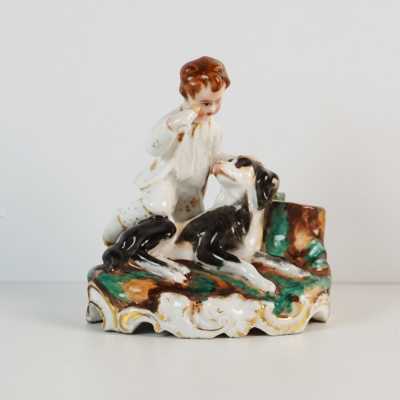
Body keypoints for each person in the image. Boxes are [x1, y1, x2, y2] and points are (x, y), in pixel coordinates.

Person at [103, 56, 230, 245]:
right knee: (158, 206)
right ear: (187, 96)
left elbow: (214, 156)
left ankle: (172, 253)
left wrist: (226, 164)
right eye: (205, 103)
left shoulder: (214, 130)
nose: (212, 109)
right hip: (168, 179)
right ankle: (123, 220)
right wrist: (171, 128)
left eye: (217, 101)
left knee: (191, 227)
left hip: (192, 189)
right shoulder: (173, 122)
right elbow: (152, 147)